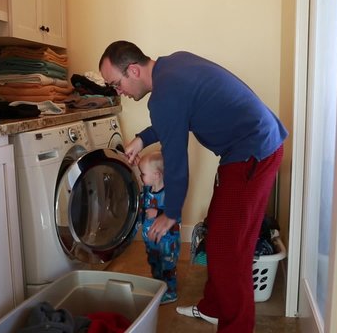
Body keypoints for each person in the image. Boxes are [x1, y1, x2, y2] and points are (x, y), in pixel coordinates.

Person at [99, 41, 287, 333]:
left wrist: (171, 213)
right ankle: (213, 307)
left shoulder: (164, 95)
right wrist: (142, 138)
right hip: (253, 146)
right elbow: (176, 116)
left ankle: (236, 327)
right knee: (220, 236)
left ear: (133, 70)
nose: (118, 91)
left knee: (229, 251)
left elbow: (176, 162)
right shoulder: (172, 66)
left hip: (252, 151)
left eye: (116, 83)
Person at [137, 150, 181, 304]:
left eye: (143, 174)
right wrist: (140, 164)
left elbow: (176, 216)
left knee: (166, 268)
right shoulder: (148, 189)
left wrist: (159, 212)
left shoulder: (170, 194)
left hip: (166, 243)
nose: (141, 176)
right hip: (152, 242)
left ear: (156, 175)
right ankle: (159, 287)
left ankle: (170, 292)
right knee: (155, 265)